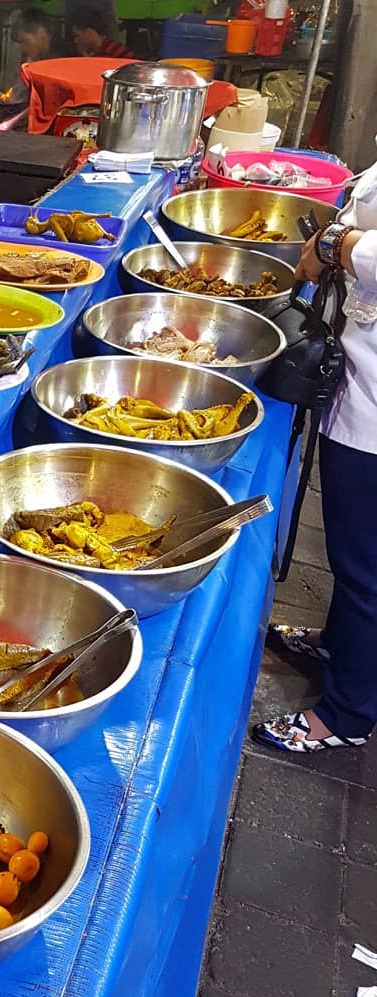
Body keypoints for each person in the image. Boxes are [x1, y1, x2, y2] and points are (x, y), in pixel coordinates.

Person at [254, 151, 377, 754]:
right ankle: (336, 642)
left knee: (365, 567)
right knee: (349, 550)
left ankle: (348, 714)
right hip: (361, 367)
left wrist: (338, 243)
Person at [70, 4, 134, 59]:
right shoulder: (79, 54)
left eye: (78, 36)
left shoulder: (120, 53)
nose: (76, 41)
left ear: (89, 32)